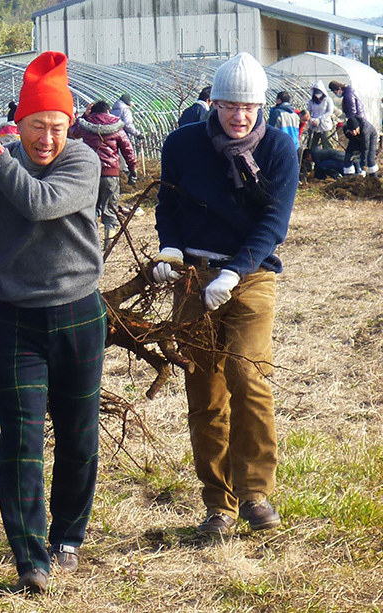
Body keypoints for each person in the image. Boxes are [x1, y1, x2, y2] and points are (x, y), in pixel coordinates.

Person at [0, 51, 105, 593]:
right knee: (23, 440)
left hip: (79, 314)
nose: (47, 139)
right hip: (15, 323)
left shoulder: (83, 162)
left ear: (69, 124)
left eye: (57, 127)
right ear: (21, 123)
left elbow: (37, 203)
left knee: (79, 438)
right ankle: (31, 558)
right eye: (37, 127)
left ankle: (68, 537)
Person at [152, 52, 297, 538]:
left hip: (251, 276)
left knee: (247, 373)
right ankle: (218, 504)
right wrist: (170, 250)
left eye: (249, 107)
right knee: (204, 387)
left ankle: (255, 492)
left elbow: (273, 222)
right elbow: (167, 202)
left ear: (261, 108)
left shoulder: (279, 148)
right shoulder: (182, 144)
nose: (240, 116)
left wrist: (234, 272)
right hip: (193, 276)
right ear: (213, 102)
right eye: (230, 105)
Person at [69, 100, 138, 250]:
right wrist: (133, 169)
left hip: (89, 173)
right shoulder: (117, 127)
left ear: (92, 112)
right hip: (110, 173)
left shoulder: (85, 125)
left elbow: (70, 133)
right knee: (111, 207)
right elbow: (128, 150)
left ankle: (90, 243)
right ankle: (108, 244)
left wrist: (84, 116)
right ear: (108, 111)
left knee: (89, 206)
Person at [306, 80, 335, 150]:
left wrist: (320, 119)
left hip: (325, 125)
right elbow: (308, 112)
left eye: (319, 92)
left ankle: (329, 158)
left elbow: (330, 111)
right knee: (311, 144)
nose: (317, 94)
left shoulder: (328, 100)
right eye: (316, 93)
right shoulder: (311, 102)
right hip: (314, 125)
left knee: (327, 143)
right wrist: (311, 120)